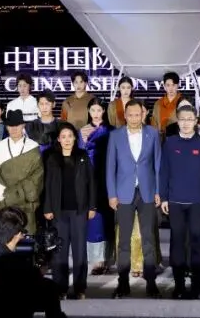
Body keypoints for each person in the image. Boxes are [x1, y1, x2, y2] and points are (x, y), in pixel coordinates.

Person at [106, 98, 162, 298]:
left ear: (143, 114)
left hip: (147, 192)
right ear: (125, 115)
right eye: (130, 115)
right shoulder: (115, 136)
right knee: (123, 241)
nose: (134, 118)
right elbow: (110, 167)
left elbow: (158, 164)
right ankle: (123, 283)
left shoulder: (153, 134)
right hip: (123, 194)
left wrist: (158, 191)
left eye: (137, 114)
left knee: (148, 239)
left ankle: (151, 283)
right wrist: (112, 194)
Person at [159, 104, 200, 299]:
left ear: (196, 121)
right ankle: (179, 285)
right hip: (175, 202)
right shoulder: (170, 143)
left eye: (190, 120)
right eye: (182, 119)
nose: (186, 123)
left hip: (198, 202)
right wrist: (164, 197)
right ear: (177, 121)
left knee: (196, 242)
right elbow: (164, 171)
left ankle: (196, 285)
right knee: (177, 243)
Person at [0, 206, 66, 318]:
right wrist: (39, 268)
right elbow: (19, 281)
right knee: (50, 289)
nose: (23, 236)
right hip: (3, 306)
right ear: (15, 233)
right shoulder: (7, 260)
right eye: (22, 232)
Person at [43, 123, 97, 299]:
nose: (67, 140)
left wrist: (92, 206)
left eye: (70, 136)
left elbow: (91, 182)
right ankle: (60, 288)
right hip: (58, 211)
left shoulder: (82, 156)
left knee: (80, 251)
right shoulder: (52, 158)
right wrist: (47, 207)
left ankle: (80, 288)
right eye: (63, 137)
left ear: (75, 138)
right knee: (59, 251)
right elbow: (47, 184)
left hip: (79, 211)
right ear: (59, 139)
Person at [0, 109, 43, 234]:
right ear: (6, 127)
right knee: (2, 240)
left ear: (23, 125)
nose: (14, 128)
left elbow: (37, 178)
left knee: (24, 241)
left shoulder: (33, 147)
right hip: (2, 203)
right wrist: (4, 196)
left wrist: (14, 196)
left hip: (25, 204)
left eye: (17, 125)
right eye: (10, 125)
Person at [77, 98, 112, 275]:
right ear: (89, 112)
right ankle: (96, 261)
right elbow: (77, 155)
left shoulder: (111, 131)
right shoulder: (82, 131)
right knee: (93, 219)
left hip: (107, 178)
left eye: (99, 110)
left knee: (108, 219)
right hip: (88, 179)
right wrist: (83, 141)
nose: (96, 114)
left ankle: (108, 258)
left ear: (104, 111)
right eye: (93, 110)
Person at [151, 72, 182, 137]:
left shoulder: (183, 102)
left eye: (173, 85)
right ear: (164, 86)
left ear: (177, 85)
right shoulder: (158, 103)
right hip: (160, 138)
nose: (171, 88)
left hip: (178, 138)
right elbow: (154, 123)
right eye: (168, 85)